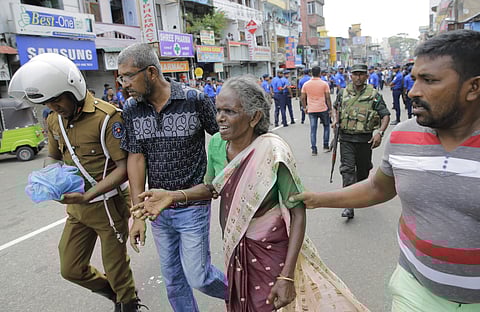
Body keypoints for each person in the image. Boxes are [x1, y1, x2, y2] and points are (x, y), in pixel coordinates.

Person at [131, 74, 369, 312]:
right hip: (235, 249)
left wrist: (286, 277)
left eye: (230, 112)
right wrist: (173, 195)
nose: (220, 118)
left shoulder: (272, 152)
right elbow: (212, 187)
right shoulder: (216, 144)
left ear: (254, 117)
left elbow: (297, 213)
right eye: (218, 110)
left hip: (271, 252)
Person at [291, 29, 480, 311]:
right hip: (413, 291)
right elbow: (378, 187)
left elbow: (382, 115)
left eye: (429, 80)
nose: (413, 91)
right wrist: (317, 200)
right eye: (415, 78)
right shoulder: (403, 137)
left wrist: (376, 132)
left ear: (473, 87)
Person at [8, 53, 144, 311]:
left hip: (108, 205)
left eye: (57, 99)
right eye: (48, 102)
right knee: (70, 268)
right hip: (77, 207)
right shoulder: (53, 119)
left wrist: (88, 194)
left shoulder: (107, 118)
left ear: (74, 89)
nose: (54, 106)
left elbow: (125, 168)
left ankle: (128, 303)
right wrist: (49, 179)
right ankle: (115, 294)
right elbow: (52, 155)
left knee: (116, 269)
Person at [117, 43, 227, 312]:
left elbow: (223, 138)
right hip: (158, 210)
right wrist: (138, 214)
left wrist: (219, 177)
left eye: (129, 76)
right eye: (121, 77)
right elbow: (136, 158)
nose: (124, 84)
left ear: (151, 72)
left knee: (198, 276)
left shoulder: (194, 100)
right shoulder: (131, 109)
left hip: (192, 205)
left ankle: (244, 294)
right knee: (174, 282)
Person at [333, 64, 390, 219]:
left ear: (366, 76)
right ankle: (348, 205)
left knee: (363, 170)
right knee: (347, 170)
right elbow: (335, 108)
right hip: (346, 139)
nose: (358, 77)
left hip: (365, 140)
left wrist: (380, 133)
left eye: (361, 74)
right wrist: (335, 121)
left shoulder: (374, 95)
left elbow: (385, 115)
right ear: (350, 76)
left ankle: (361, 188)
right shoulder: (343, 93)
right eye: (355, 74)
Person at [301, 66, 332, 155]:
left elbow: (302, 97)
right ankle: (325, 146)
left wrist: (304, 107)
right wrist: (330, 109)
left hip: (312, 109)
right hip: (323, 108)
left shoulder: (306, 84)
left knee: (313, 129)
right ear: (320, 73)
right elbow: (328, 98)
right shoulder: (324, 84)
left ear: (311, 73)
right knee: (326, 126)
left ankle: (314, 149)